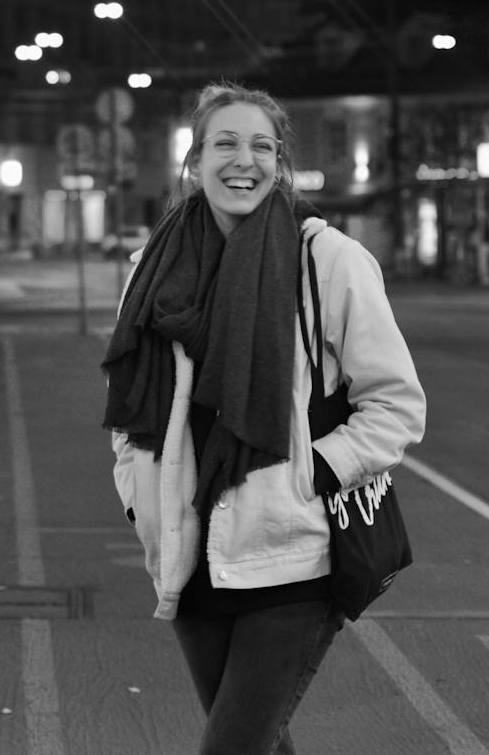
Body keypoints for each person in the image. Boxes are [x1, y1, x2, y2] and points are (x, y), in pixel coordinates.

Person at [102, 81, 426, 755]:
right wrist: (139, 499)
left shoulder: (326, 261)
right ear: (195, 159)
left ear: (280, 164)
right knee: (258, 744)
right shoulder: (151, 270)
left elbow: (397, 404)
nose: (242, 160)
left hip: (291, 559)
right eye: (225, 142)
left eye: (261, 146)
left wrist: (312, 474)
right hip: (190, 560)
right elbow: (129, 404)